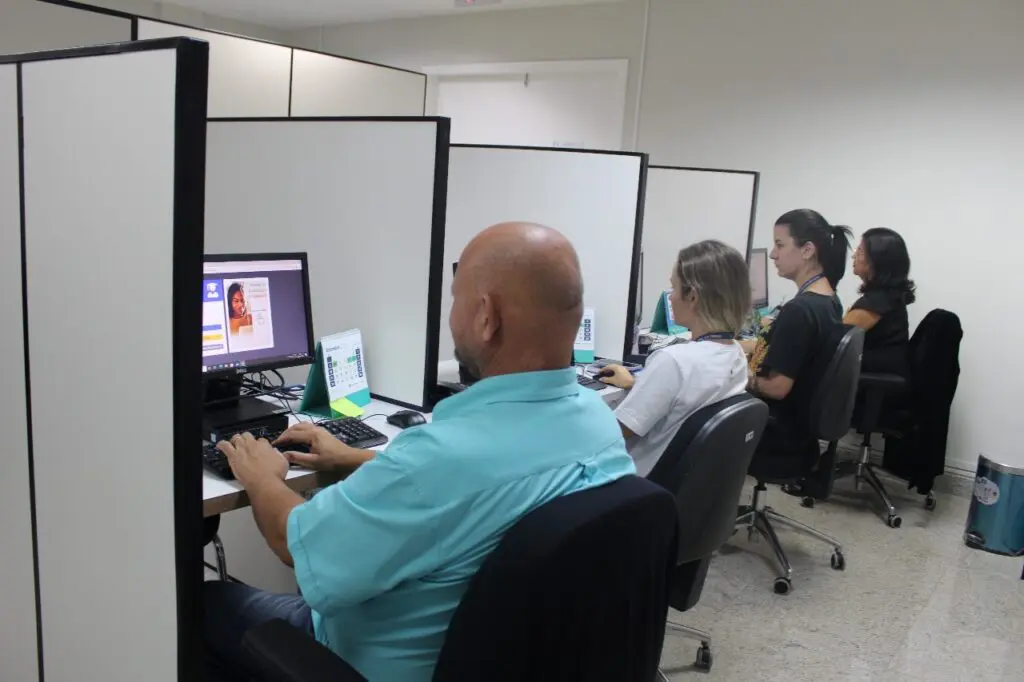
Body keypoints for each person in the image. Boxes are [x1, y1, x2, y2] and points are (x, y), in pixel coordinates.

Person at [203, 222, 636, 682]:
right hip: (517, 659)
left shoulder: (440, 459)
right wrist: (359, 459)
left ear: (486, 317)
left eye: (455, 297)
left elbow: (293, 542)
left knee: (206, 602)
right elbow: (486, 491)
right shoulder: (596, 419)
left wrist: (260, 476)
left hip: (368, 663)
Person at [598, 240, 751, 476]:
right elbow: (692, 395)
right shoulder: (736, 353)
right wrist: (638, 384)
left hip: (637, 479)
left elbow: (616, 432)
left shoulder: (673, 361)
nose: (670, 298)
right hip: (691, 482)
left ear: (693, 297)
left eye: (674, 288)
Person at [747, 209, 852, 472]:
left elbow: (777, 388)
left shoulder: (799, 311)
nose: (773, 254)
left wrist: (739, 376)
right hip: (799, 429)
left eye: (780, 245)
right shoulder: (829, 299)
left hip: (777, 432)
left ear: (807, 250)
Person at [844, 227, 915, 377]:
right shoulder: (888, 298)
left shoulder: (876, 304)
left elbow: (835, 344)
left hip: (870, 383)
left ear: (876, 261)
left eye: (860, 251)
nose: (854, 255)